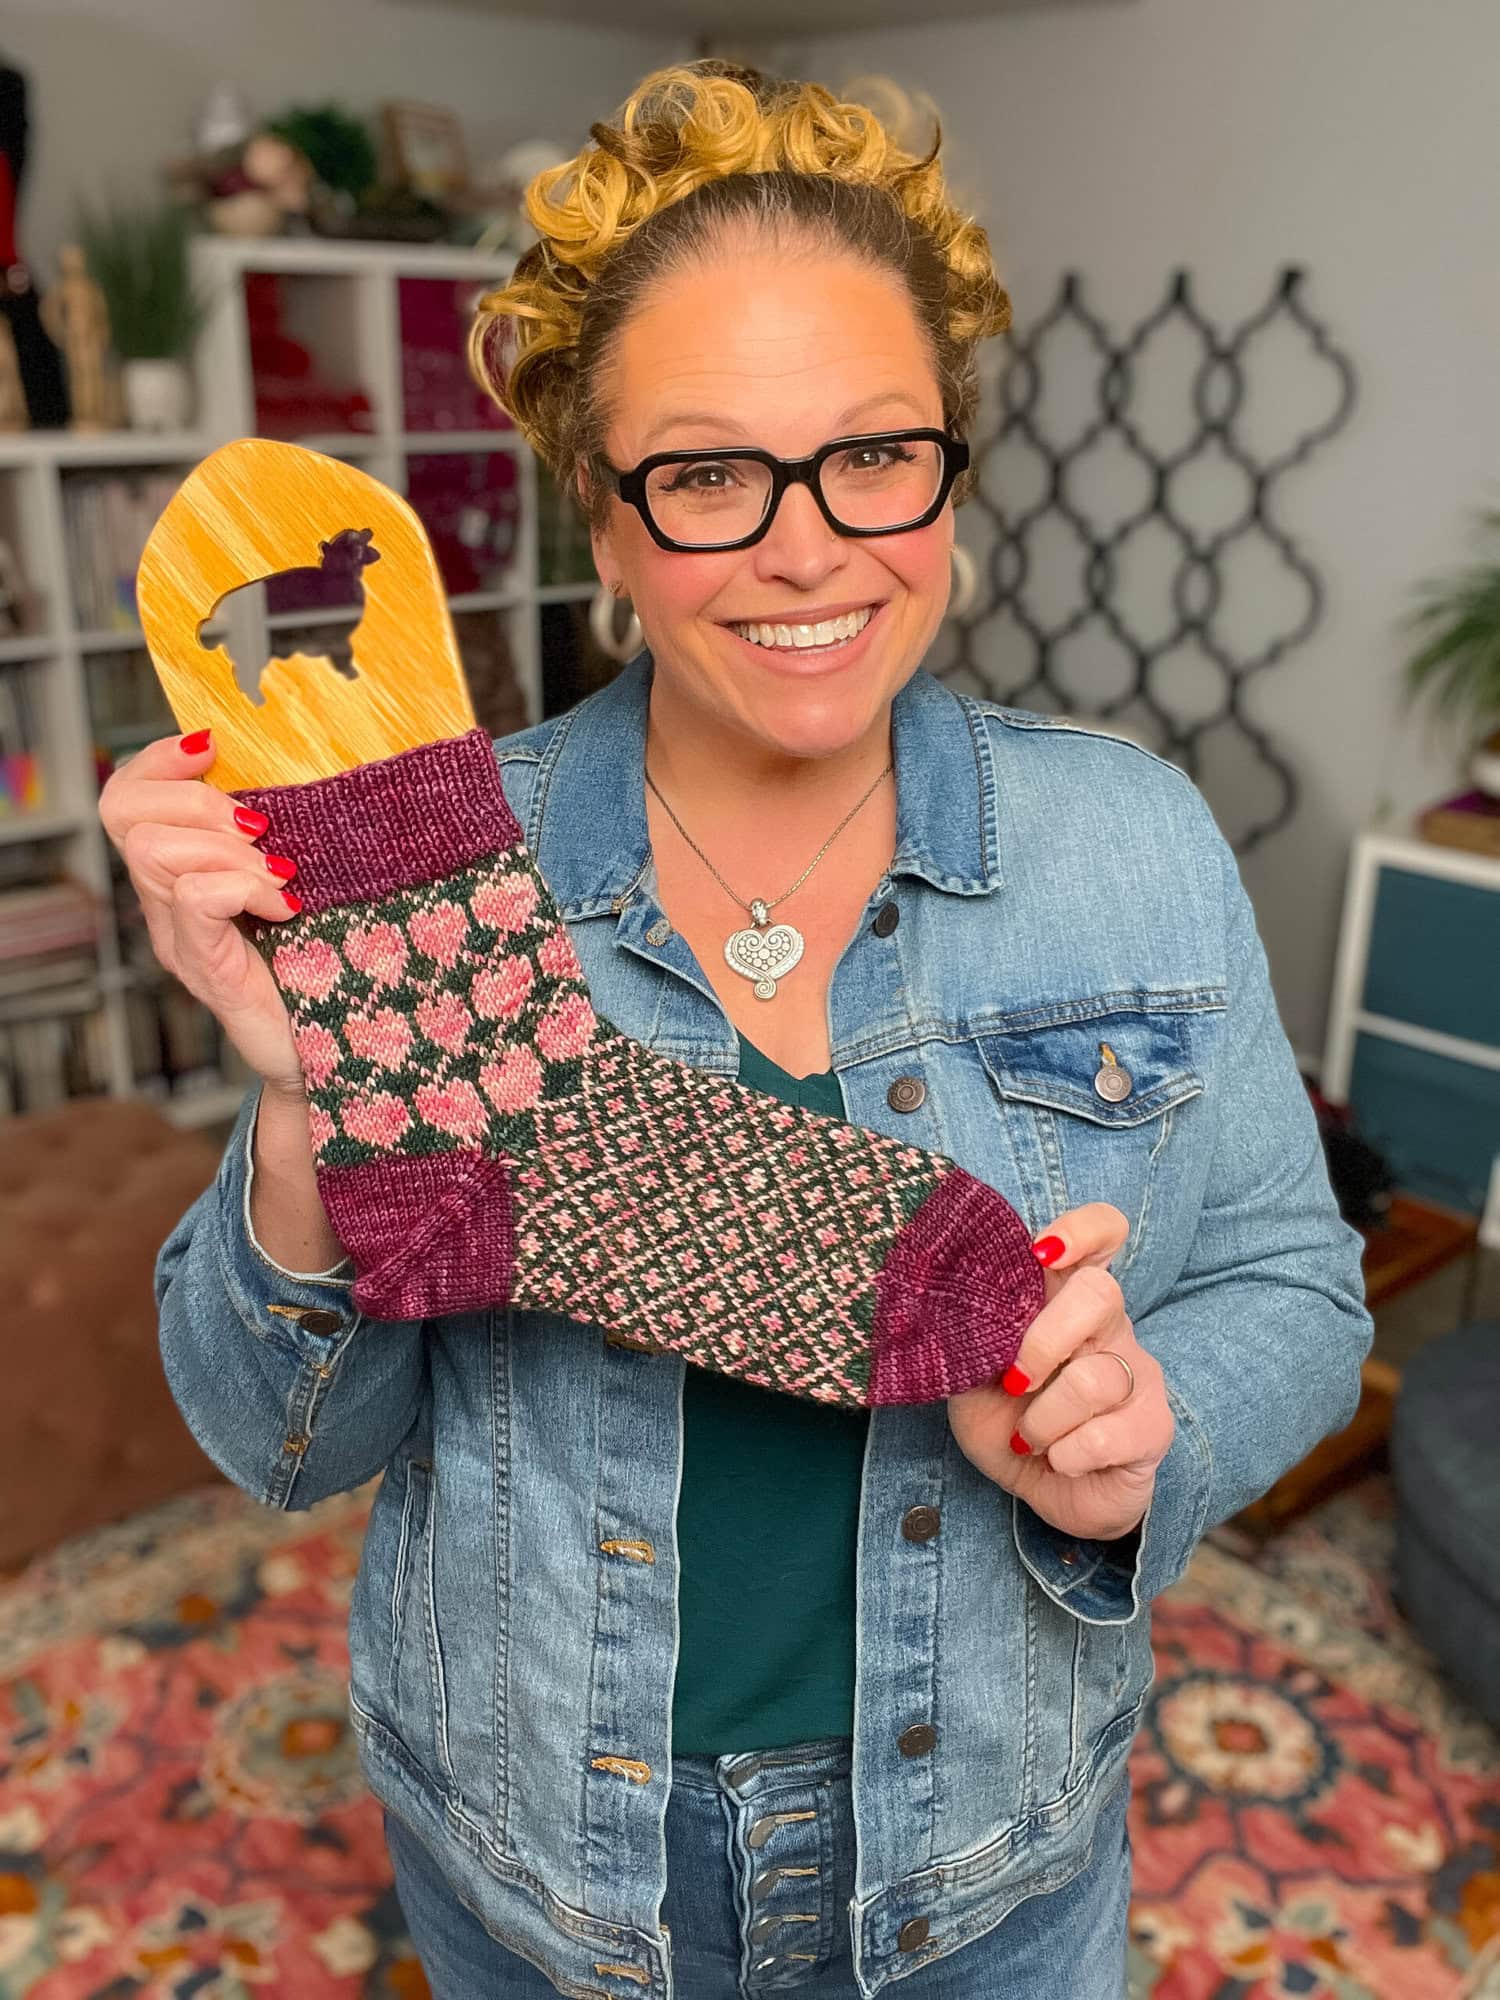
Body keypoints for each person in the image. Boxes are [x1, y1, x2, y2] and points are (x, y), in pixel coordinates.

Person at [103, 60, 1373, 1999]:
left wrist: (1153, 1428)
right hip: (542, 1875)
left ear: (952, 468)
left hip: (993, 1873)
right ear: (603, 527)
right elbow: (281, 1440)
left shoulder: (1136, 846)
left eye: (876, 454)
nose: (807, 547)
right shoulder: (449, 861)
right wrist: (303, 1105)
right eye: (707, 476)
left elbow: (1302, 1280)